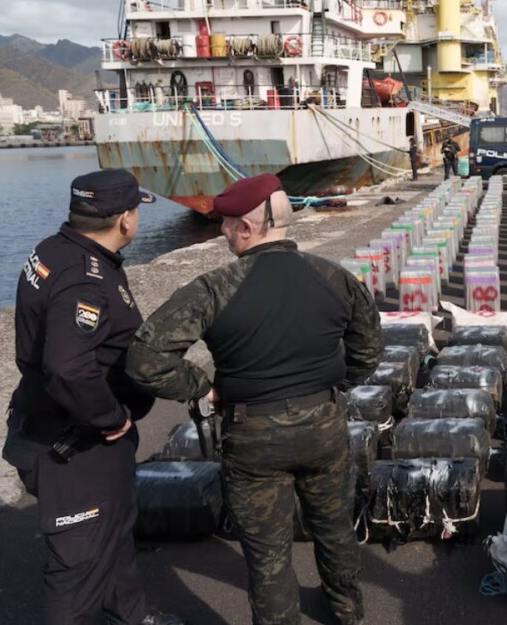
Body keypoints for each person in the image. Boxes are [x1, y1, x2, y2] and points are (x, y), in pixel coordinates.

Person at [126, 174, 381, 625]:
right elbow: (368, 348)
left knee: (267, 552)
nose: (222, 231)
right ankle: (346, 609)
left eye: (226, 224)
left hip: (252, 435)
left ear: (247, 228)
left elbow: (145, 358)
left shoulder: (215, 288)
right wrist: (335, 386)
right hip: (323, 424)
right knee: (334, 526)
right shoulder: (334, 277)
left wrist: (202, 386)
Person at [2, 169, 183, 625]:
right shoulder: (86, 280)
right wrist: (110, 418)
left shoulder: (53, 249)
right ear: (124, 220)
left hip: (70, 431)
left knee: (114, 533)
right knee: (77, 565)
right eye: (136, 211)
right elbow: (67, 366)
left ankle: (131, 615)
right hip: (76, 444)